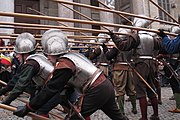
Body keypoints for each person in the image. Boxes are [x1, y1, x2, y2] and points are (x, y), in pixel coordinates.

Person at [13, 29, 128, 120]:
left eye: (48, 54)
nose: (47, 58)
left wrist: (29, 107)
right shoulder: (71, 57)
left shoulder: (64, 64)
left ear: (54, 54)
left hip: (96, 90)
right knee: (118, 117)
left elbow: (51, 88)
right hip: (105, 86)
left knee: (74, 118)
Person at [104, 28, 138, 115]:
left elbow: (109, 56)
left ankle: (122, 111)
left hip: (119, 70)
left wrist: (105, 49)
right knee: (131, 89)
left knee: (120, 90)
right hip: (129, 69)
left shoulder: (117, 46)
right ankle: (134, 108)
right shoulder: (131, 45)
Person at [157, 26, 180, 113]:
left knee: (176, 84)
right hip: (174, 63)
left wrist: (164, 37)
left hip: (175, 64)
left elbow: (171, 48)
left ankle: (179, 106)